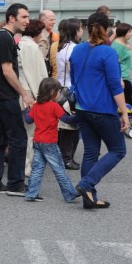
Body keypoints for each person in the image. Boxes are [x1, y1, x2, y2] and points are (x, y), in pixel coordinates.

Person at [70, 12, 128, 210]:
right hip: (103, 109)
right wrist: (125, 112)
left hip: (81, 108)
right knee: (118, 150)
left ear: (87, 28)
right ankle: (87, 184)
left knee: (90, 153)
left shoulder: (77, 50)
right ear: (108, 29)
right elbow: (114, 84)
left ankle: (90, 197)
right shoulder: (108, 52)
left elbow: (74, 77)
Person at [0, 3, 32, 196]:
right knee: (18, 139)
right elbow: (7, 70)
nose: (27, 21)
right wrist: (24, 93)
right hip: (5, 95)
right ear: (12, 18)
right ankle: (15, 184)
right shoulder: (4, 38)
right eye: (24, 17)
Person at [23, 78, 79, 203]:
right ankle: (69, 193)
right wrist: (78, 116)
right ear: (53, 92)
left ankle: (31, 193)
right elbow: (66, 119)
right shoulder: (54, 106)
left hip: (37, 141)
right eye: (59, 91)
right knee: (59, 168)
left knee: (37, 168)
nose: (60, 94)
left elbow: (28, 120)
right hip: (50, 142)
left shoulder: (36, 106)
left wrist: (28, 109)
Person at [18, 19, 49, 178]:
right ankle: (26, 167)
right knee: (30, 133)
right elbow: (37, 74)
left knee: (20, 132)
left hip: (19, 91)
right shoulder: (32, 47)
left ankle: (19, 166)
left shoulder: (20, 44)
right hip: (29, 94)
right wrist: (41, 97)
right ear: (37, 33)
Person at [55, 18, 83, 170]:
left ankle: (66, 157)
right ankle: (67, 158)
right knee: (70, 127)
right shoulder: (73, 49)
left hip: (62, 88)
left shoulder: (61, 47)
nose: (82, 31)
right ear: (74, 31)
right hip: (70, 89)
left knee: (67, 126)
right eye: (80, 28)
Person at [111, 23, 132, 108]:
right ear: (123, 32)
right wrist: (120, 79)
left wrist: (131, 75)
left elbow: (126, 62)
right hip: (122, 79)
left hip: (127, 77)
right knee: (130, 106)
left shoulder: (124, 44)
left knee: (130, 104)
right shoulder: (117, 46)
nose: (131, 34)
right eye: (129, 32)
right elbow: (115, 64)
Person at [38, 10, 58, 78]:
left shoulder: (52, 35)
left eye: (54, 20)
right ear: (42, 21)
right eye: (51, 20)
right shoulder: (39, 36)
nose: (54, 22)